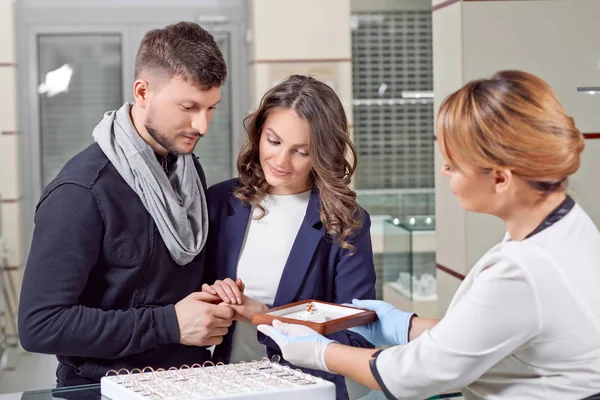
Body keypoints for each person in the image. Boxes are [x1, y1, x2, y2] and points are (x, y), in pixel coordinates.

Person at [258, 70, 600, 400]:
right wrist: (407, 326)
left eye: (453, 163)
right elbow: (482, 333)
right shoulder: (568, 224)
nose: (444, 170)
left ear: (500, 178)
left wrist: (321, 353)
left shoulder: (523, 271)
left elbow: (412, 374)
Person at [18, 22, 234, 387]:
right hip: (105, 389)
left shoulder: (185, 167)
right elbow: (40, 325)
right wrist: (170, 324)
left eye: (211, 108)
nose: (202, 125)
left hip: (190, 381)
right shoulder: (82, 190)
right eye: (188, 106)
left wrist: (215, 292)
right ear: (143, 91)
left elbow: (167, 282)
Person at [201, 75, 377, 400]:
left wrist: (266, 316)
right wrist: (210, 298)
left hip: (304, 391)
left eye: (301, 151)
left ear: (323, 154)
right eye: (274, 141)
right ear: (258, 134)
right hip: (222, 387)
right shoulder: (217, 202)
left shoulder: (346, 222)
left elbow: (358, 337)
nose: (281, 161)